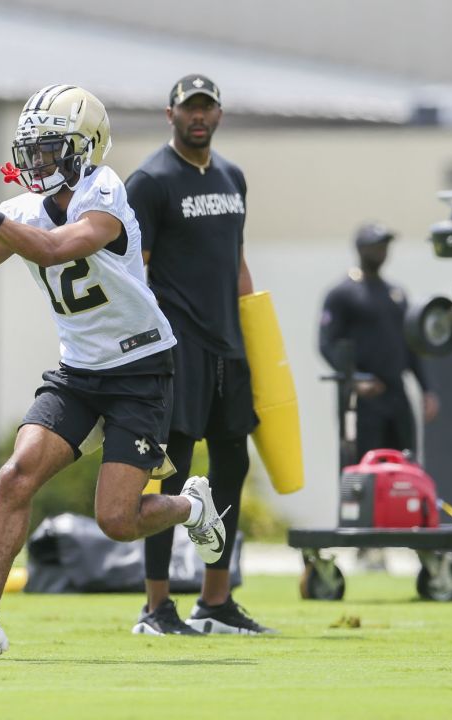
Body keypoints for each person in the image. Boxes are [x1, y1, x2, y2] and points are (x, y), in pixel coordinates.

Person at [0, 85, 228, 660]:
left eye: (50, 150)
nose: (37, 163)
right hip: (80, 371)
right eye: (31, 150)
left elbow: (57, 248)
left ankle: (190, 507)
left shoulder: (105, 190)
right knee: (16, 476)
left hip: (139, 366)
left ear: (86, 148)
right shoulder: (23, 210)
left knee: (115, 519)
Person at [124, 74, 276, 636]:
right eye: (189, 107)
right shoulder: (150, 180)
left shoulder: (233, 177)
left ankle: (215, 602)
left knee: (232, 463)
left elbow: (237, 261)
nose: (199, 116)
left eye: (207, 107)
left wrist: (255, 334)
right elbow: (129, 269)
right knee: (174, 470)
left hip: (228, 345)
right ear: (170, 115)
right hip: (176, 348)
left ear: (219, 114)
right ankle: (155, 607)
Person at [318, 223, 440, 464]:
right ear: (361, 248)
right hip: (364, 398)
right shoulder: (343, 293)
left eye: (385, 246)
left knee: (405, 464)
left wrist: (426, 389)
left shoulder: (396, 293)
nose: (382, 252)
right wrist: (354, 379)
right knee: (364, 468)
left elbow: (410, 344)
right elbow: (326, 343)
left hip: (397, 393)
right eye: (376, 246)